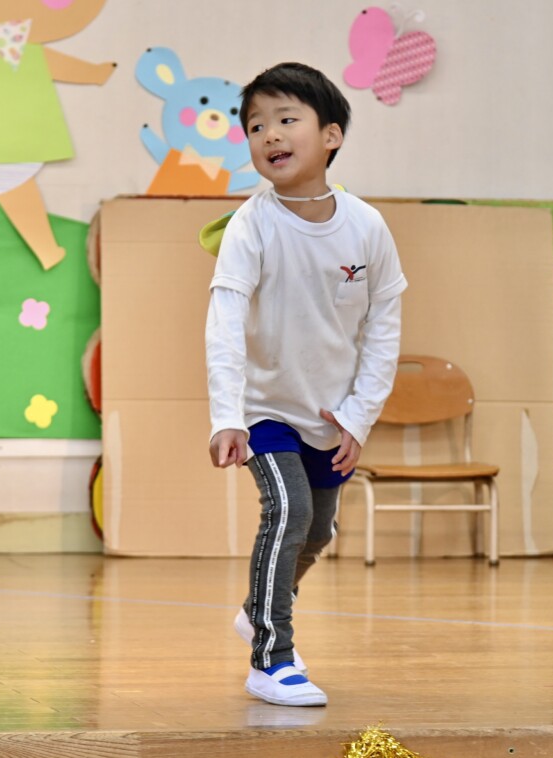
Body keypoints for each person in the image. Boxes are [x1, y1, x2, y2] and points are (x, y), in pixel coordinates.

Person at [205, 63, 407, 706]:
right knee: (287, 511)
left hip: (330, 413)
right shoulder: (251, 225)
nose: (269, 134)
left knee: (317, 532)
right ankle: (271, 659)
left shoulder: (367, 226)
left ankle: (260, 607)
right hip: (265, 410)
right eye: (255, 126)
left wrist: (359, 416)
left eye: (286, 119)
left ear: (331, 135)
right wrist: (227, 414)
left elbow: (383, 327)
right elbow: (224, 321)